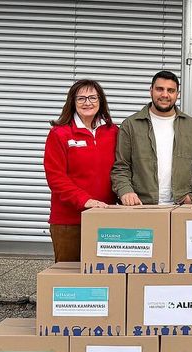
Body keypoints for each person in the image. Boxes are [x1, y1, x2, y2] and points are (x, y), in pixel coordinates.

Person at [112, 71, 192, 205]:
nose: (165, 95)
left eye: (170, 90)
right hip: (141, 205)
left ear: (177, 94)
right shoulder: (131, 125)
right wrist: (126, 191)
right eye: (160, 89)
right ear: (151, 91)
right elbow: (121, 167)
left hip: (180, 206)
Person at [44, 79, 118, 262]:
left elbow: (122, 169)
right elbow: (56, 178)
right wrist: (86, 201)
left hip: (105, 216)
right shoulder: (60, 133)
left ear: (100, 101)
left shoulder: (113, 132)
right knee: (69, 274)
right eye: (81, 98)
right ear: (73, 102)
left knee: (103, 273)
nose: (87, 103)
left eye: (93, 97)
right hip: (69, 222)